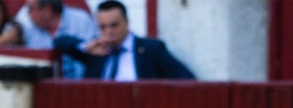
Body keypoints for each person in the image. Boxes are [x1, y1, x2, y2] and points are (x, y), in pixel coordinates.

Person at [54, 0, 195, 80]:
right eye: (103, 27)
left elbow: (187, 79)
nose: (109, 31)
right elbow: (60, 42)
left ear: (127, 23)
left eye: (114, 25)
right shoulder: (96, 51)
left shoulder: (150, 49)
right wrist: (85, 47)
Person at [6, 0, 98, 79]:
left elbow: (95, 57)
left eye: (30, 9)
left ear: (47, 10)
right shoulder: (29, 26)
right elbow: (4, 37)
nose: (27, 14)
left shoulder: (81, 21)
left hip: (80, 90)